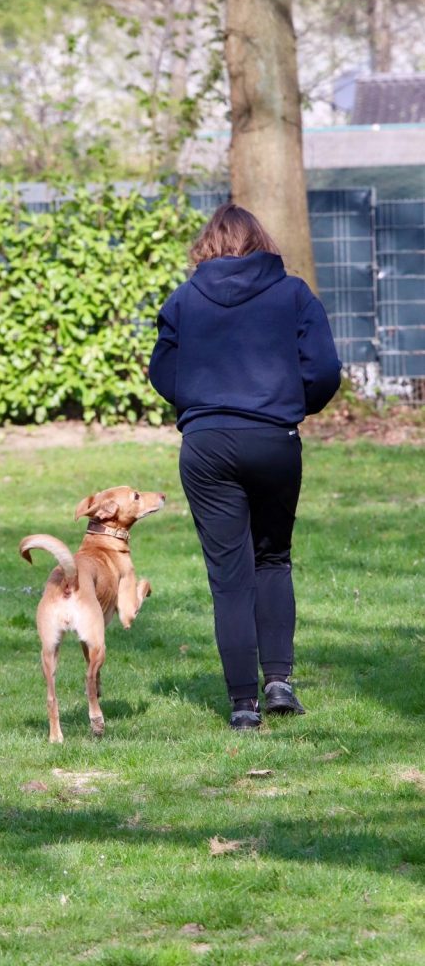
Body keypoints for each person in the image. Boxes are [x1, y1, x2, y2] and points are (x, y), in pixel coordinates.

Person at [148, 202, 341, 730]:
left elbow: (161, 371)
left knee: (229, 577)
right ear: (262, 243)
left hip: (207, 444)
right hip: (274, 439)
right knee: (272, 559)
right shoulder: (293, 293)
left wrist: (200, 404)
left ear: (206, 247)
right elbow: (325, 369)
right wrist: (290, 403)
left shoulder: (184, 299)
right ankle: (278, 682)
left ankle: (242, 707)